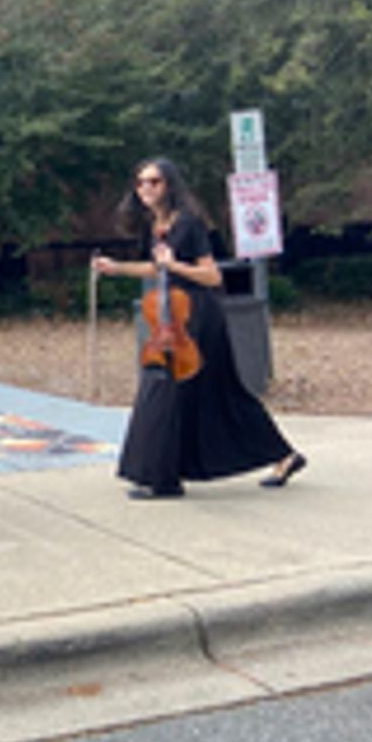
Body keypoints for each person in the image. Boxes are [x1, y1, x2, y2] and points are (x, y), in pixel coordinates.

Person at [93, 158, 305, 499]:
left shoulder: (188, 224)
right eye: (141, 182)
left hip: (199, 318)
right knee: (221, 393)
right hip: (171, 318)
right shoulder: (154, 226)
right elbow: (155, 268)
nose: (146, 188)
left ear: (170, 185)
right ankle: (284, 455)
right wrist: (116, 267)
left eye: (154, 181)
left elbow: (212, 276)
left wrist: (174, 264)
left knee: (163, 390)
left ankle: (163, 479)